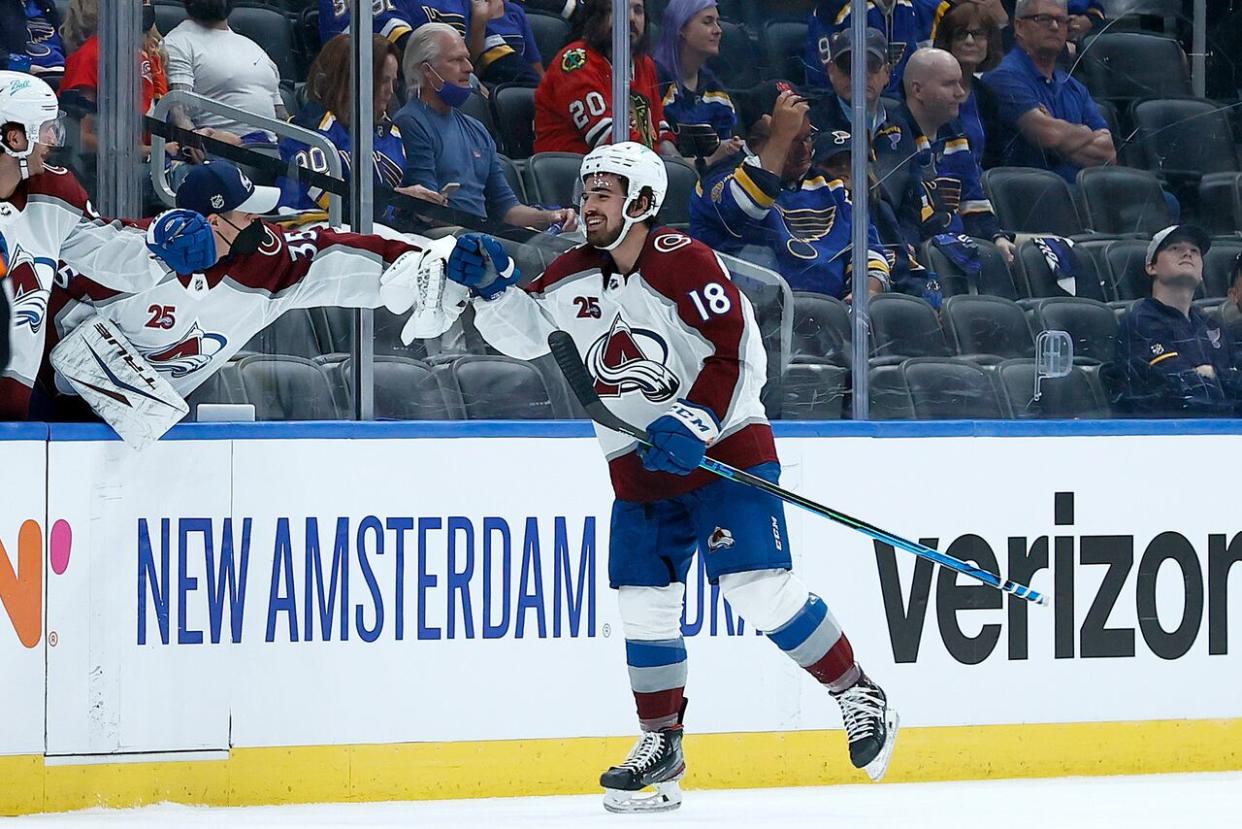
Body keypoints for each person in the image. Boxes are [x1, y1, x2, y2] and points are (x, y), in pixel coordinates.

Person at [457, 141, 897, 813]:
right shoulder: (571, 272)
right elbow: (527, 334)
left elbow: (736, 348)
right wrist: (491, 290)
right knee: (642, 600)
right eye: (587, 190)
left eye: (604, 191)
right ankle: (662, 748)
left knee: (755, 585)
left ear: (641, 202)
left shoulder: (683, 262)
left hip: (722, 446)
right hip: (637, 464)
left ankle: (856, 691)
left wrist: (694, 420)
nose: (589, 202)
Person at [43, 159, 481, 416]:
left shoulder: (268, 265)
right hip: (54, 413)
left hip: (150, 428)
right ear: (213, 220)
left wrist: (424, 255)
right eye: (248, 214)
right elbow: (50, 293)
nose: (261, 223)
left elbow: (334, 246)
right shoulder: (133, 253)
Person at [0, 70, 216, 419]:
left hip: (15, 406)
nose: (53, 141)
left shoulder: (54, 193)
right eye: (44, 130)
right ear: (14, 138)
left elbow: (100, 252)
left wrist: (158, 246)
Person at [691, 81, 891, 300]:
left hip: (835, 317)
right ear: (758, 140)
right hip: (759, 321)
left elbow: (868, 247)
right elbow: (749, 206)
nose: (806, 149)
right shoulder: (719, 178)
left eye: (808, 137)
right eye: (794, 140)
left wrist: (865, 292)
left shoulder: (829, 185)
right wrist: (780, 138)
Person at [394, 23, 577, 230]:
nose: (469, 68)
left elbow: (507, 208)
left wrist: (552, 216)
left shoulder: (477, 129)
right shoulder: (411, 122)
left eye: (467, 58)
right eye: (456, 60)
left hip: (481, 237)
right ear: (426, 70)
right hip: (443, 240)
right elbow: (428, 211)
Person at [898, 48, 1014, 262]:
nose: (960, 92)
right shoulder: (895, 138)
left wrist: (996, 237)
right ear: (918, 90)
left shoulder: (955, 134)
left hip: (955, 250)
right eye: (949, 84)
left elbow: (973, 202)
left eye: (960, 83)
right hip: (921, 256)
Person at [1113, 225, 1242, 417]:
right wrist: (1225, 380)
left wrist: (1215, 374)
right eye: (1175, 248)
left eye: (1194, 251)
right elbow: (1183, 392)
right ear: (1151, 266)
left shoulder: (1211, 325)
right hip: (1170, 435)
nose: (1187, 254)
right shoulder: (1142, 319)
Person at [981, 0, 1114, 184]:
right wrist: (1085, 132)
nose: (1054, 26)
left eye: (1061, 20)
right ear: (1019, 26)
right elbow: (1047, 135)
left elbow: (1108, 152)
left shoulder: (1074, 86)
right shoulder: (1003, 76)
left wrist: (1059, 133)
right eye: (1043, 19)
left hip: (1083, 192)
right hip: (1034, 195)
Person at [277, 34, 407, 215]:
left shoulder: (389, 133)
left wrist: (418, 210)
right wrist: (396, 200)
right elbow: (340, 209)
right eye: (383, 80)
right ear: (350, 79)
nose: (391, 91)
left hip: (377, 233)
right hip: (313, 230)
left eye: (393, 82)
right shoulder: (308, 132)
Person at [534, 0, 677, 156]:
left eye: (638, 11)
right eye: (616, 10)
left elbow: (658, 129)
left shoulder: (644, 63)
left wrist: (677, 162)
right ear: (596, 16)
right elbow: (611, 139)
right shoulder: (576, 61)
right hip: (577, 172)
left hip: (635, 169)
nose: (631, 18)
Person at [58, 0, 171, 158]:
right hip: (110, 169)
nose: (144, 6)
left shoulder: (149, 54)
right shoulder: (90, 57)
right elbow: (80, 137)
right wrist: (148, 151)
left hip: (154, 159)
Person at [164, 0, 287, 144]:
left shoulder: (253, 48)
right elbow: (179, 115)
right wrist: (197, 145)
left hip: (270, 155)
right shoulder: (177, 43)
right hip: (220, 154)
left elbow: (282, 117)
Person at [653, 0, 741, 167]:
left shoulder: (715, 90)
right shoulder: (654, 80)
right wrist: (710, 161)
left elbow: (726, 148)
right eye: (707, 22)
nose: (718, 30)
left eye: (717, 22)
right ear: (681, 28)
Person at [803, 0, 942, 93]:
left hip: (892, 108)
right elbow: (827, 85)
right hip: (841, 112)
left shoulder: (908, 7)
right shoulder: (838, 9)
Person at [930, 0, 1004, 168]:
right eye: (961, 34)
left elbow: (996, 159)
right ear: (947, 41)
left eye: (978, 34)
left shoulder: (987, 96)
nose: (970, 41)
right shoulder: (931, 88)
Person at [474, 0, 545, 85]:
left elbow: (535, 65)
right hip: (484, 84)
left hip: (519, 83)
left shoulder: (515, 11)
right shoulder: (465, 11)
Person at [0, 0, 65, 87]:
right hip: (24, 79)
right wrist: (26, 68)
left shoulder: (46, 4)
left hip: (63, 71)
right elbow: (3, 59)